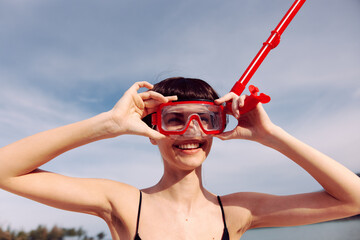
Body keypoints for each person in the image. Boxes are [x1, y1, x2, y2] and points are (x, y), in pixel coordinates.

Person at [0, 77, 359, 240]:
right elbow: (6, 171)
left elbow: (352, 199)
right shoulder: (123, 203)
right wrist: (107, 124)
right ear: (151, 129)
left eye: (206, 119)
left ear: (218, 128)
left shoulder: (237, 212)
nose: (192, 130)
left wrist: (272, 136)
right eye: (175, 119)